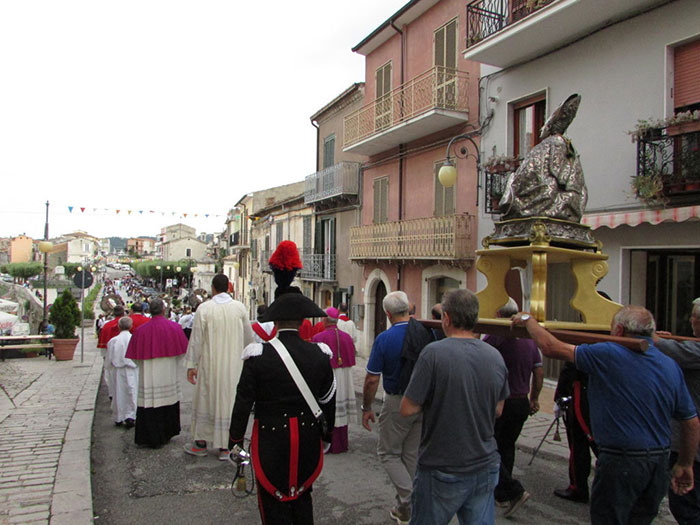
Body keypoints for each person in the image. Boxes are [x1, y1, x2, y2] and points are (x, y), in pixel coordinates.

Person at [512, 305, 700, 524]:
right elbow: (691, 422)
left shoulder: (609, 354)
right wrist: (685, 464)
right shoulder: (669, 364)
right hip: (658, 462)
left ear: (619, 330)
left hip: (622, 461)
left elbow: (551, 347)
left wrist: (528, 319)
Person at [229, 240, 335, 524]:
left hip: (269, 443)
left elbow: (243, 403)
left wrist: (235, 441)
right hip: (308, 441)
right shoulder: (320, 355)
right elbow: (328, 401)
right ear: (303, 320)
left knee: (272, 506)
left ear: (274, 320)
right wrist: (327, 436)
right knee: (303, 498)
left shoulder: (257, 356)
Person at [399, 289, 509, 525]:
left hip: (442, 466)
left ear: (446, 318)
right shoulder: (495, 356)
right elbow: (499, 410)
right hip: (485, 464)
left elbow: (407, 408)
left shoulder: (433, 354)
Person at [362, 291, 423, 524]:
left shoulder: (385, 339)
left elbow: (371, 379)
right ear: (409, 307)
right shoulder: (423, 332)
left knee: (387, 453)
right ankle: (404, 509)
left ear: (387, 314)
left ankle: (411, 499)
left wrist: (366, 407)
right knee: (410, 455)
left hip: (398, 401)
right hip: (421, 401)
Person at [184, 274, 254, 461]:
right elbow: (249, 337)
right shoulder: (239, 308)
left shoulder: (204, 309)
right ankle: (226, 447)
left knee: (206, 399)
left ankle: (201, 443)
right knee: (229, 402)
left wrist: (192, 365)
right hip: (234, 366)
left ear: (213, 288)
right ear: (229, 287)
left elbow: (196, 339)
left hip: (209, 364)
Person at [483, 299, 542, 516]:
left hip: (501, 402)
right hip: (521, 401)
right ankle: (501, 493)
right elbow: (538, 370)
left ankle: (512, 490)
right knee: (507, 446)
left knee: (490, 448)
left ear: (498, 313)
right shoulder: (529, 340)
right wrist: (535, 397)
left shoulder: (495, 336)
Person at [653, 298, 700, 523]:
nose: (691, 320)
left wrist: (650, 335)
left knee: (685, 502)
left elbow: (662, 347)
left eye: (694, 316)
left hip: (691, 443)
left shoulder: (695, 352)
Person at [125, 297, 188, 448]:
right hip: (168, 374)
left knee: (150, 404)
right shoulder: (174, 328)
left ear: (149, 311)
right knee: (167, 402)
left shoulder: (140, 331)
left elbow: (135, 358)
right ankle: (167, 432)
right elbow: (182, 353)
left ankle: (148, 437)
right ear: (164, 310)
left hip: (148, 376)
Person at [312, 307, 356, 453]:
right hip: (344, 377)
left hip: (328, 378)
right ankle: (341, 443)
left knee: (328, 408)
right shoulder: (347, 337)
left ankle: (326, 443)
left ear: (325, 320)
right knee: (341, 406)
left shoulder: (319, 338)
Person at [553, 361, 597, 503]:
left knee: (579, 445)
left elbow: (570, 366)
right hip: (598, 393)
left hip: (582, 392)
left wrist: (559, 396)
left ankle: (577, 488)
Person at [106, 317, 138, 428]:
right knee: (132, 392)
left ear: (119, 327)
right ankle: (131, 415)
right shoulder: (134, 339)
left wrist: (109, 368)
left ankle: (119, 416)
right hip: (132, 369)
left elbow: (109, 359)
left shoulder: (113, 341)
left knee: (118, 393)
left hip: (118, 370)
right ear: (131, 326)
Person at [98, 305, 126, 400]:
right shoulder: (128, 324)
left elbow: (103, 345)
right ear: (123, 313)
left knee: (110, 375)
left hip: (111, 355)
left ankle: (112, 393)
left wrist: (105, 357)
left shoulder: (107, 326)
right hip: (126, 358)